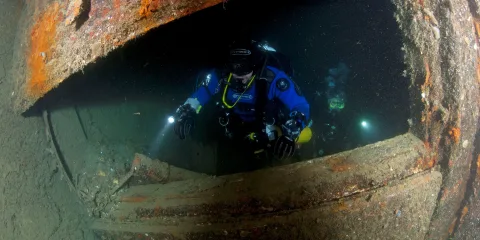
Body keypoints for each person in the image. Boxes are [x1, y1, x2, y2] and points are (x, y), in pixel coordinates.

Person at [173, 40, 312, 160]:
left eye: (245, 71)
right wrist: (187, 111)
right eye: (235, 71)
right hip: (235, 127)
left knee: (304, 137)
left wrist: (291, 133)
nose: (240, 77)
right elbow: (202, 93)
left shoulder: (273, 78)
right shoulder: (221, 76)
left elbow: (300, 104)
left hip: (268, 127)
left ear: (255, 66)